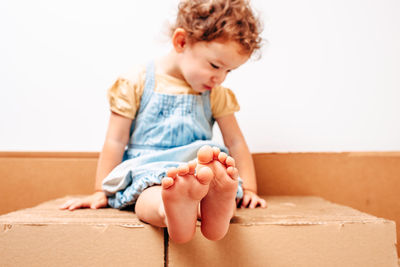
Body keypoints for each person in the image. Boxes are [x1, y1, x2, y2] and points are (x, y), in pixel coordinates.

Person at [60, 0, 267, 244]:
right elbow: (115, 140)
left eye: (228, 71)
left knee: (218, 190)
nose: (220, 78)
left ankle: (213, 209)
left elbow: (235, 142)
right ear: (181, 42)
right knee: (152, 197)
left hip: (198, 169)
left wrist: (249, 190)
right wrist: (100, 191)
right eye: (215, 66)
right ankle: (172, 208)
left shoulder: (215, 93)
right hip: (147, 169)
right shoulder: (137, 81)